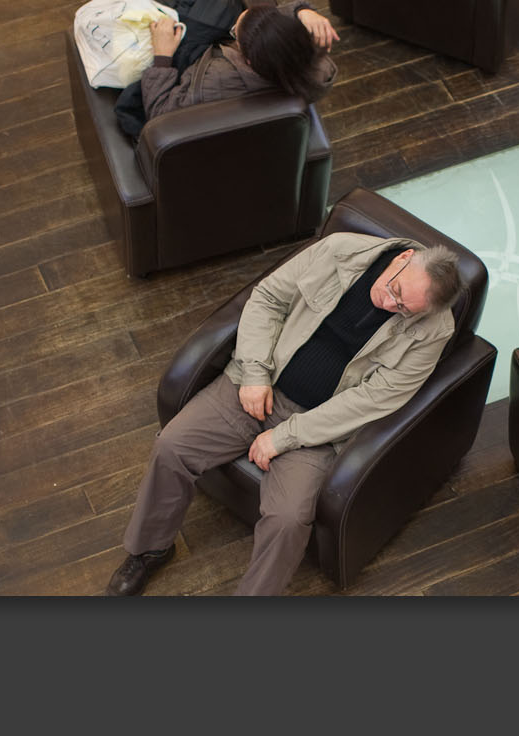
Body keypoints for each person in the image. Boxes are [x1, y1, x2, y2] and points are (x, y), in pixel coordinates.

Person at [105, 232, 465, 596]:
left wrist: (286, 436)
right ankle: (150, 550)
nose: (389, 303)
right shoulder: (339, 250)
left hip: (318, 429)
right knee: (171, 447)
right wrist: (255, 373)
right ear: (401, 259)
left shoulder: (433, 330)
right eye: (396, 290)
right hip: (258, 385)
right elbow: (267, 299)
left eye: (404, 308)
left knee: (288, 520)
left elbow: (374, 399)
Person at [141, 0, 339, 120]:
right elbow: (275, 29)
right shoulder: (317, 68)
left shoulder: (214, 80)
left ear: (249, 61)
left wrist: (162, 56)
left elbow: (160, 114)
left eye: (235, 32)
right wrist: (302, 10)